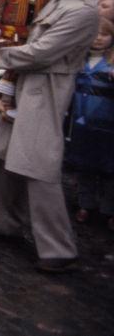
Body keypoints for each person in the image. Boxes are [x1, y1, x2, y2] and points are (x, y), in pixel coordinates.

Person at [0, 0, 99, 273]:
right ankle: (4, 223)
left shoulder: (83, 11)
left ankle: (57, 249)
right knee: (3, 155)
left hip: (46, 87)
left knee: (37, 166)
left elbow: (41, 53)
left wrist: (1, 52)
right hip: (21, 81)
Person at [65, 18, 114, 231]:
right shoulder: (79, 59)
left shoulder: (111, 62)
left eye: (104, 34)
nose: (98, 38)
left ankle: (108, 208)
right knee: (84, 166)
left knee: (108, 169)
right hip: (80, 120)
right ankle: (86, 203)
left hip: (106, 123)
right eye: (95, 33)